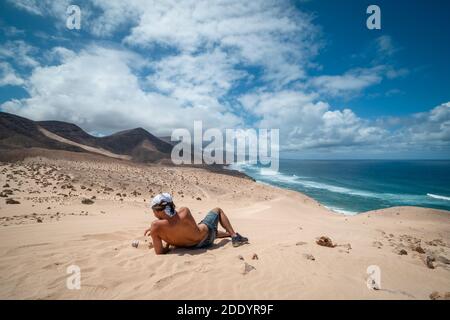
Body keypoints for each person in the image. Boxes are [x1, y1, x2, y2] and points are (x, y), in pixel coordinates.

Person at [144, 193, 248, 254]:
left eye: (153, 209)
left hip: (190, 246)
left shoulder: (156, 227)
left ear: (157, 210)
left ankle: (230, 234)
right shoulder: (184, 212)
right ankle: (234, 236)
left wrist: (167, 245)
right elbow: (175, 220)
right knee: (217, 211)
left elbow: (159, 252)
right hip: (206, 239)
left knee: (207, 229)